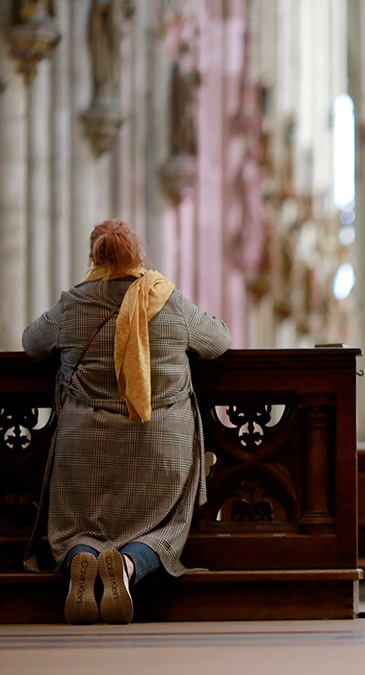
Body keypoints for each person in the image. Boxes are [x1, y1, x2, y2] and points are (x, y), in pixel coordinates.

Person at [22, 220, 232, 624]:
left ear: (93, 257)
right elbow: (218, 341)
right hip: (159, 447)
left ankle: (82, 558)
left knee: (74, 527)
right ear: (139, 256)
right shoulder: (169, 300)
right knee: (166, 525)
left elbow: (32, 343)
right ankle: (128, 567)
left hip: (85, 448)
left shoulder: (72, 304)